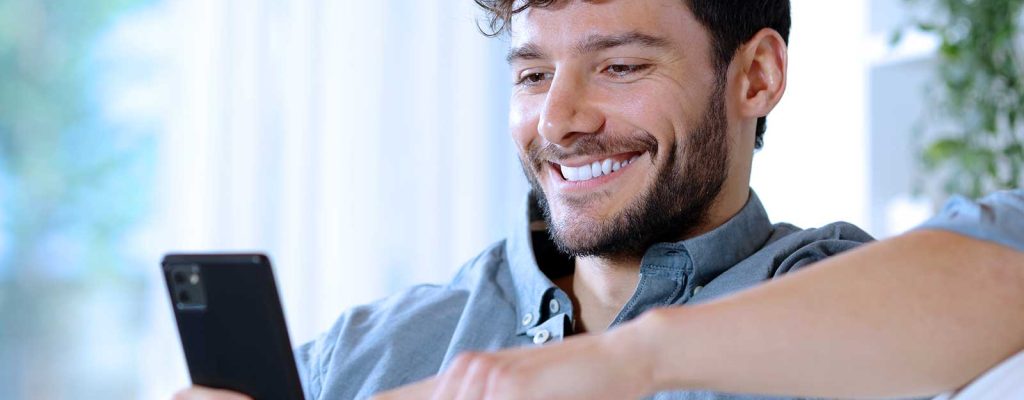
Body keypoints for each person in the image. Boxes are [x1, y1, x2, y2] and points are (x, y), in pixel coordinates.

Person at [172, 1, 1023, 399]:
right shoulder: (361, 357)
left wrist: (628, 361)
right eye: (534, 74)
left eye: (621, 66)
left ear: (757, 76)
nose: (560, 119)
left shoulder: (843, 299)